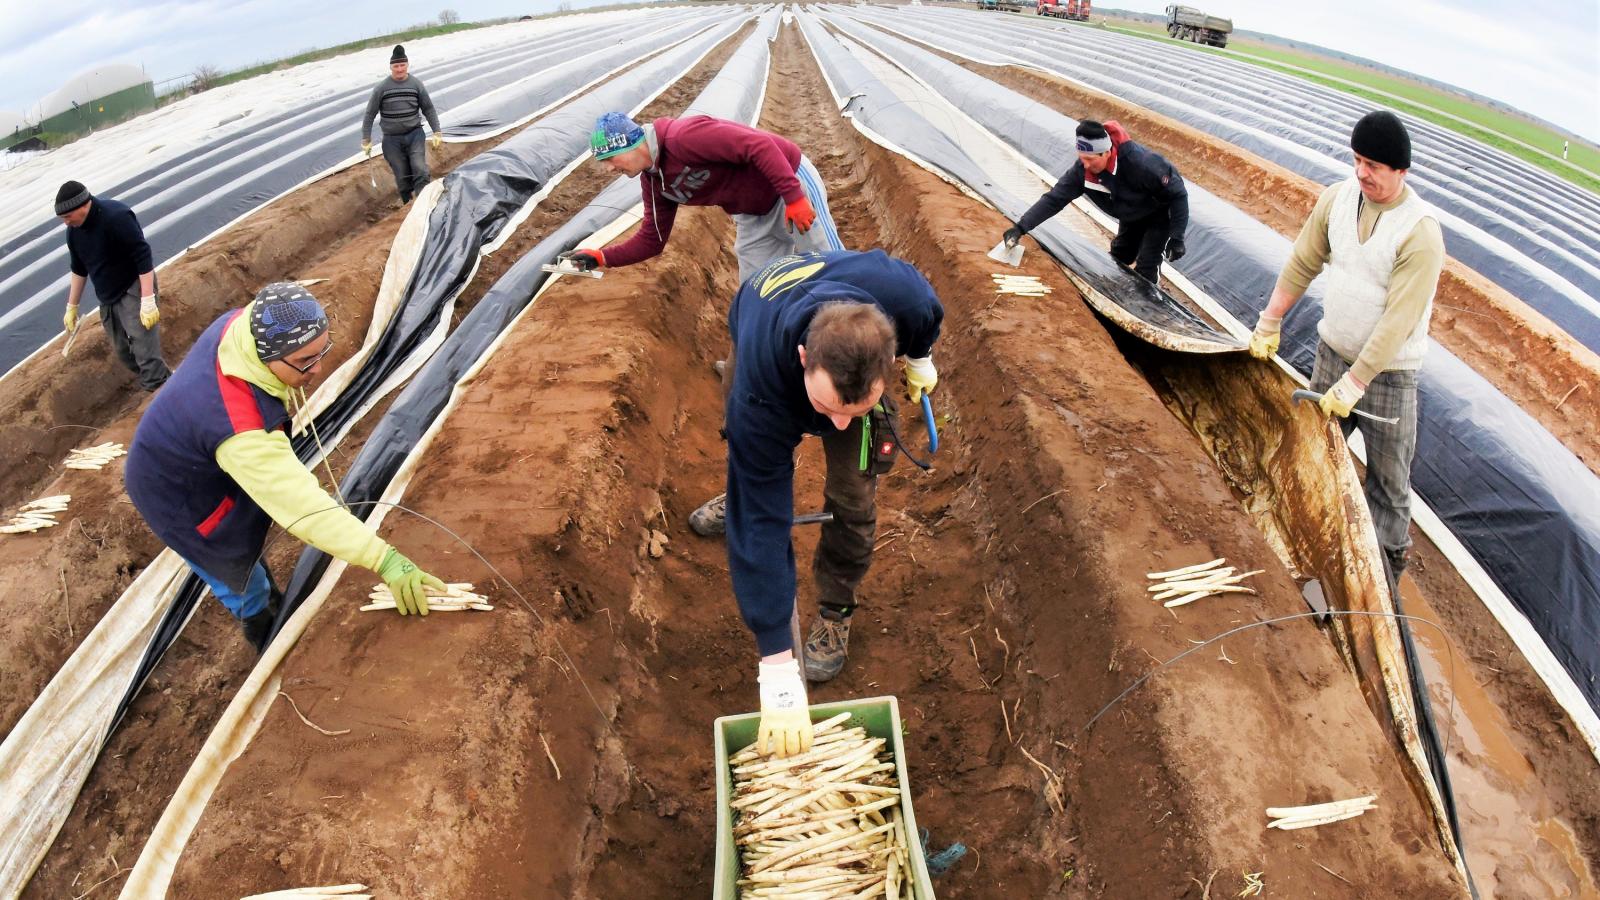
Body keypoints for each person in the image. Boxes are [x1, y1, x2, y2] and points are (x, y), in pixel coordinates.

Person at [691, 250, 943, 757]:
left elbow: (925, 312)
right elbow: (763, 527)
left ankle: (837, 609)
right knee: (754, 478)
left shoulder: (905, 299)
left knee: (852, 496)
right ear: (806, 359)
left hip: (849, 325)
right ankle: (742, 478)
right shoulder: (763, 389)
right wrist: (776, 666)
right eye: (828, 408)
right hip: (759, 327)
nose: (840, 423)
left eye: (859, 407)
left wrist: (919, 359)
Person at [125, 282, 446, 652]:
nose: (318, 369)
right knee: (239, 575)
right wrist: (384, 559)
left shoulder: (245, 328)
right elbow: (305, 510)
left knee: (257, 507)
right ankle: (265, 632)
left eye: (320, 351)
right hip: (173, 490)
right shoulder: (241, 431)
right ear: (268, 357)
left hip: (198, 447)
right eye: (305, 362)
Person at [1247, 110, 1444, 592]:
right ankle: (1304, 551)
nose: (1362, 172)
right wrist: (1269, 321)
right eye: (1357, 159)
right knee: (1313, 453)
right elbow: (1302, 262)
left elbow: (1399, 320)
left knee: (1389, 484)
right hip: (1332, 353)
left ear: (1401, 170)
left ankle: (1382, 583)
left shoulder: (1419, 233)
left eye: (1374, 164)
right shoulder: (1337, 199)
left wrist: (1356, 383)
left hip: (1388, 378)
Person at [558, 112, 841, 283]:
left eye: (609, 158)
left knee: (828, 266)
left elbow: (759, 145)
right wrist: (602, 256)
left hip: (787, 182)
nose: (608, 168)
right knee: (755, 291)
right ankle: (748, 368)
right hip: (752, 213)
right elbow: (652, 240)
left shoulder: (685, 137)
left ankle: (871, 333)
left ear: (631, 143)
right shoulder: (655, 181)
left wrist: (793, 197)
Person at [1001, 120, 1189, 283]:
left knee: (1147, 267)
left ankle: (1148, 311)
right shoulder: (1082, 171)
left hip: (1157, 216)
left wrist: (1177, 237)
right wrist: (1020, 228)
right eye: (1082, 159)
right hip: (1130, 215)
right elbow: (1054, 199)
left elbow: (1178, 194)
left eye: (1090, 159)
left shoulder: (1143, 164)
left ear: (1106, 153)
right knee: (1119, 257)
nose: (1086, 165)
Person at [56, 181, 171, 391]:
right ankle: (164, 380)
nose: (65, 223)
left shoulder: (116, 217)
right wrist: (71, 307)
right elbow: (79, 268)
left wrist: (147, 300)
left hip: (133, 286)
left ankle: (159, 387)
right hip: (108, 296)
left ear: (82, 206)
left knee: (144, 347)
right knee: (122, 351)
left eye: (67, 217)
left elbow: (142, 255)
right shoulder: (74, 232)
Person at [360, 44, 443, 204]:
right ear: (391, 67)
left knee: (419, 168)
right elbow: (370, 114)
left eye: (402, 65)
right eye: (396, 66)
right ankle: (407, 203)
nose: (399, 69)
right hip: (392, 139)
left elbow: (428, 108)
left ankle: (423, 203)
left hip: (414, 134)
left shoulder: (416, 84)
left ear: (407, 65)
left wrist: (437, 131)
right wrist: (366, 139)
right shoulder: (382, 88)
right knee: (402, 176)